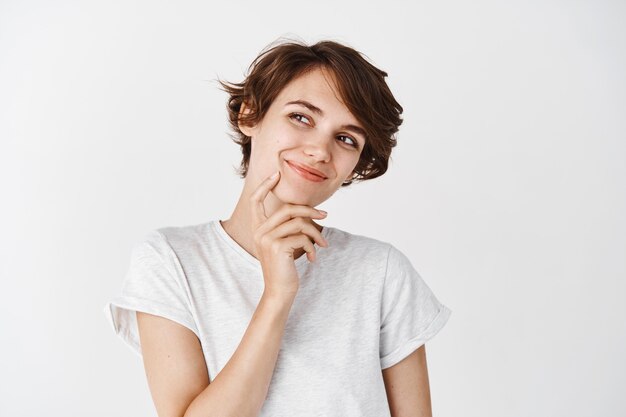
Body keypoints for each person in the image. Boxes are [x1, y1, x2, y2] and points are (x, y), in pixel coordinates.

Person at [103, 37, 452, 417]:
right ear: (250, 115)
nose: (320, 150)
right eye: (301, 117)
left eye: (345, 138)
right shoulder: (172, 260)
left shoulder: (381, 271)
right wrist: (277, 295)